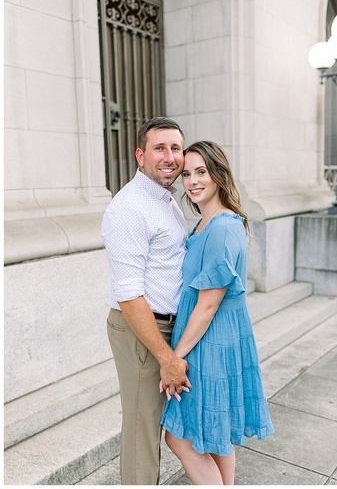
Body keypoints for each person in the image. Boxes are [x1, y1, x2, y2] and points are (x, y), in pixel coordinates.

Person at [160, 141, 274, 485]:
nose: (192, 181)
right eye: (186, 174)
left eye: (201, 172)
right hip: (216, 336)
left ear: (218, 175)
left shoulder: (222, 228)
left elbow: (208, 305)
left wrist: (173, 360)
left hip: (209, 341)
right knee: (217, 433)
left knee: (178, 436)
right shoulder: (209, 222)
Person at [101, 117, 191, 484]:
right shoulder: (128, 208)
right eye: (159, 148)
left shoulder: (165, 198)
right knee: (142, 430)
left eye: (176, 148)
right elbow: (128, 293)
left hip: (170, 324)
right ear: (140, 156)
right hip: (143, 328)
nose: (170, 157)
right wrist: (165, 356)